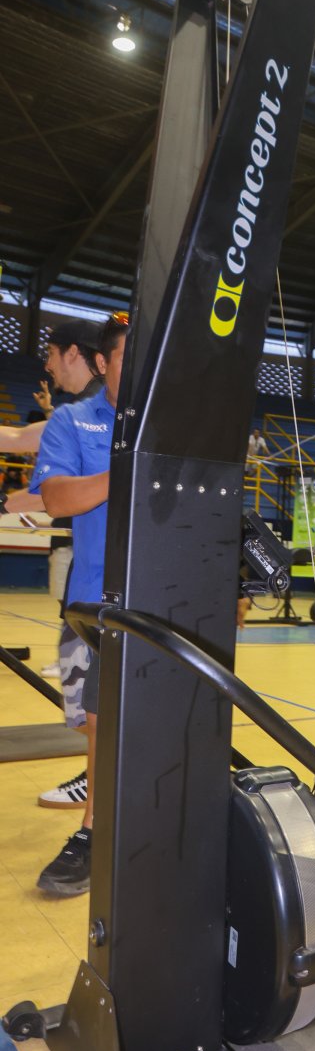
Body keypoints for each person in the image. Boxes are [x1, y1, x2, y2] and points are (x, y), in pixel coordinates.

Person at [29, 315, 128, 894]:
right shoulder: (73, 420)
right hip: (100, 607)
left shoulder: (180, 425)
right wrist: (129, 470)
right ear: (100, 362)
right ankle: (96, 831)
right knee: (99, 722)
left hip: (176, 602)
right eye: (125, 360)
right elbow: (56, 498)